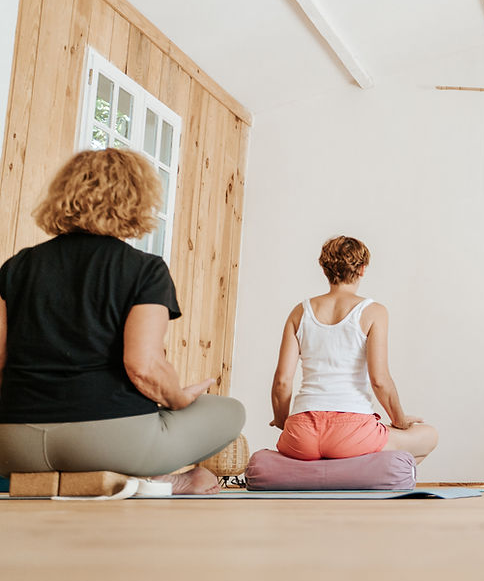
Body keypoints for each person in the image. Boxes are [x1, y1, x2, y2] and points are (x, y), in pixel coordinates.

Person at [0, 148, 244, 493]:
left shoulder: (16, 266)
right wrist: (178, 400)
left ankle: (86, 480)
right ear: (137, 200)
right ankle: (158, 482)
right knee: (230, 411)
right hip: (108, 444)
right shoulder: (145, 269)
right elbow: (143, 366)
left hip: (15, 448)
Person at [270, 236, 437, 465]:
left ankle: (329, 473)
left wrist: (282, 421)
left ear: (325, 268)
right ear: (362, 269)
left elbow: (282, 382)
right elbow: (379, 380)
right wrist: (399, 420)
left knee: (322, 443)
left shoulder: (300, 312)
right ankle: (361, 475)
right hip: (352, 434)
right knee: (428, 435)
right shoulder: (374, 312)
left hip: (301, 435)